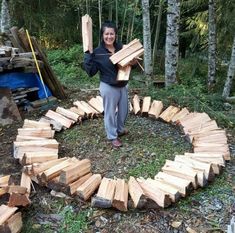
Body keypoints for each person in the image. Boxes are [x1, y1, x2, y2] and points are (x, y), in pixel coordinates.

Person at [83, 21, 133, 148]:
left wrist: (133, 62)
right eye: (106, 34)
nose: (109, 36)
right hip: (108, 86)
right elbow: (91, 72)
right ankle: (112, 136)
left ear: (115, 35)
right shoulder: (98, 52)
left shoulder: (122, 48)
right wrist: (88, 56)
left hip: (123, 84)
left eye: (112, 34)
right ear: (102, 35)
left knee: (124, 110)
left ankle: (120, 129)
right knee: (110, 112)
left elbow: (130, 65)